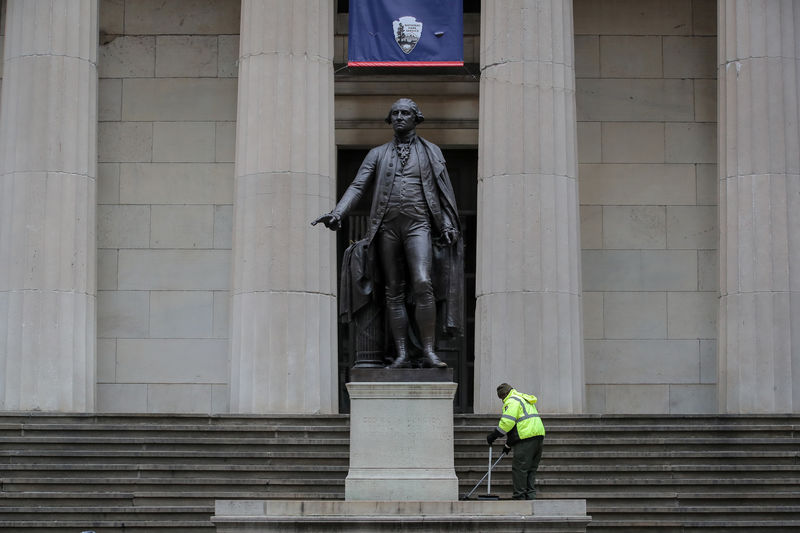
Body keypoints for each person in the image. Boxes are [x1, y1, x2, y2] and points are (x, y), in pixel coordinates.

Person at [312, 98, 463, 369]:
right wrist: (338, 213)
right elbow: (358, 186)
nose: (399, 117)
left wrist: (448, 226)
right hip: (386, 227)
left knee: (422, 281)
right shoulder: (377, 153)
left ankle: (428, 351)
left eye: (405, 113)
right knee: (394, 291)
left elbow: (443, 192)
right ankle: (403, 353)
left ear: (416, 118)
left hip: (419, 224)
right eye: (394, 114)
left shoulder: (431, 152)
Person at [486, 382, 546, 500]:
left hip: (526, 438)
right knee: (531, 469)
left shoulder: (511, 401)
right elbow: (519, 425)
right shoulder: (523, 398)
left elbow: (507, 423)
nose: (502, 400)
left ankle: (519, 497)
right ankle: (530, 495)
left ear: (504, 394)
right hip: (538, 436)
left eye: (501, 397)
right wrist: (508, 445)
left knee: (520, 468)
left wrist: (494, 435)